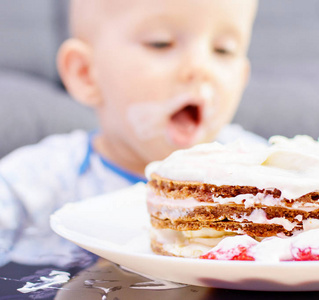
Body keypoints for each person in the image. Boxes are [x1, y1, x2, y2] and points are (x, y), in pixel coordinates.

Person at [0, 0, 260, 267]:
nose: (200, 68)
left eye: (223, 50)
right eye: (160, 43)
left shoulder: (262, 171)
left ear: (242, 78)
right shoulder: (41, 179)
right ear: (86, 73)